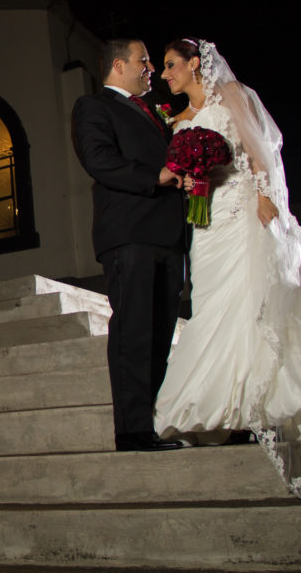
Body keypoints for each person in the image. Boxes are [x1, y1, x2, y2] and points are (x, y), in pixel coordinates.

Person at [153, 37, 301, 500]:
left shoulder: (232, 95)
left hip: (242, 209)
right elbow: (181, 169)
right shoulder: (178, 119)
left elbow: (259, 149)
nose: (164, 75)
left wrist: (265, 195)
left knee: (251, 300)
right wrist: (186, 174)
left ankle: (266, 399)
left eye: (170, 65)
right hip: (206, 222)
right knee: (212, 304)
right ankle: (219, 408)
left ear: (195, 64)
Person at [72, 39, 187, 452]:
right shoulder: (94, 107)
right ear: (119, 65)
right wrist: (154, 176)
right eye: (144, 60)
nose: (151, 67)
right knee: (134, 332)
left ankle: (153, 421)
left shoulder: (154, 110)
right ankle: (133, 431)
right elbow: (98, 159)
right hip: (130, 233)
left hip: (169, 235)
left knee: (160, 334)